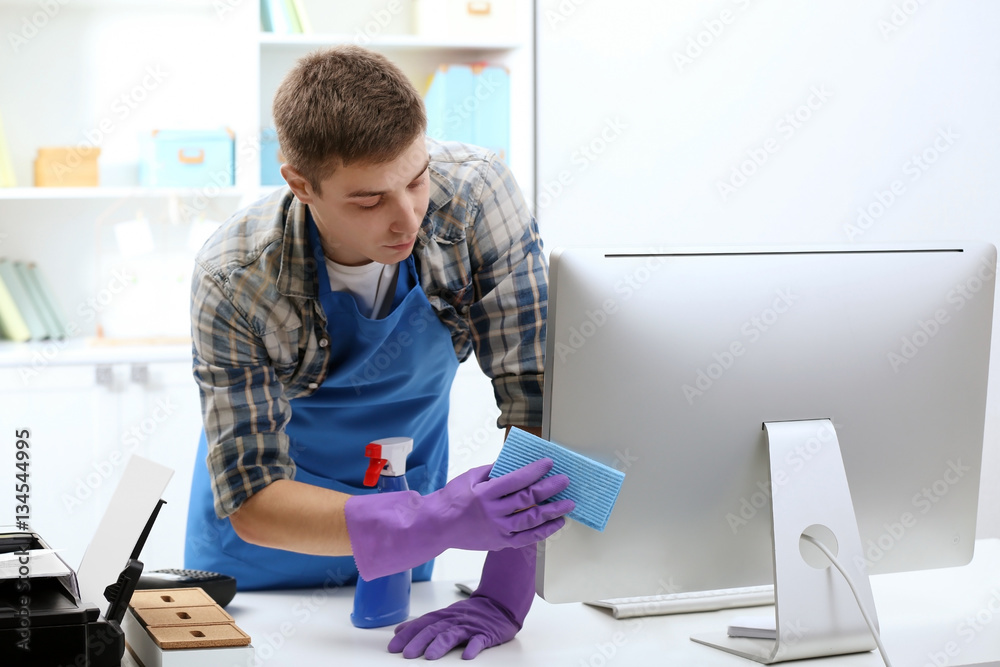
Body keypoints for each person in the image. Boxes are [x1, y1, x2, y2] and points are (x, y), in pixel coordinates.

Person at [184, 45, 574, 659]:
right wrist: (431, 520)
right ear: (301, 185)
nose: (406, 219)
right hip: (260, 571)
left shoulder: (475, 197)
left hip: (405, 558)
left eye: (416, 179)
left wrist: (503, 591)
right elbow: (254, 497)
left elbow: (541, 401)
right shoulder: (235, 276)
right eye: (369, 200)